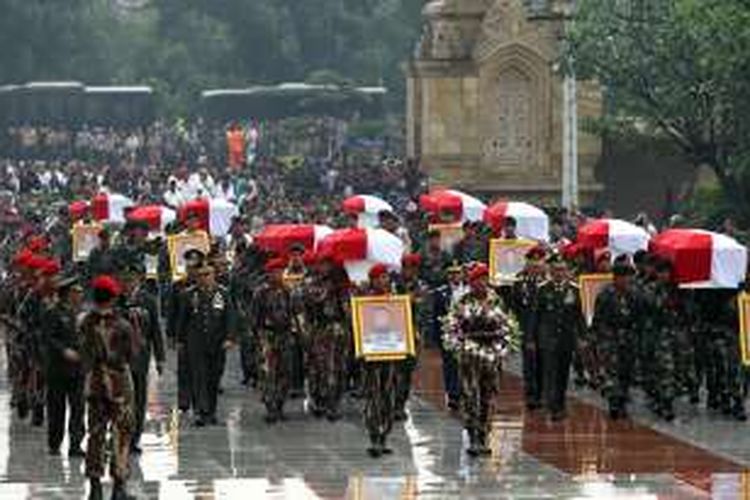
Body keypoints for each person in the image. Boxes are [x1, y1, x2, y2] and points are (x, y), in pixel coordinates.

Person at [443, 263, 519, 456]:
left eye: (485, 279)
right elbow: (452, 327)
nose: (482, 284)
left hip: (491, 357)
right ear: (471, 283)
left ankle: (484, 435)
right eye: (478, 280)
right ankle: (473, 435)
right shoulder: (463, 302)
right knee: (470, 396)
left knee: (488, 396)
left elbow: (506, 325)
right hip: (469, 358)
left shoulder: (496, 301)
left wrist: (503, 345)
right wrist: (459, 345)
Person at [80, 275, 136, 500]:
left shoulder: (85, 323)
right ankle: (119, 486)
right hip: (119, 386)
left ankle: (95, 487)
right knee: (121, 433)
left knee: (95, 434)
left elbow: (83, 354)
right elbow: (133, 354)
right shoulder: (123, 325)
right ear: (113, 298)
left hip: (94, 385)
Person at [176, 262, 236, 426]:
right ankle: (200, 411)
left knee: (213, 377)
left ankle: (212, 410)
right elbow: (182, 320)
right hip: (195, 343)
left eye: (208, 274)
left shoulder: (223, 293)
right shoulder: (188, 295)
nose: (204, 278)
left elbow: (230, 317)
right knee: (198, 377)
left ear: (214, 275)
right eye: (201, 275)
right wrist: (180, 341)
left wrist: (230, 338)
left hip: (217, 343)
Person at [118, 262, 165, 452]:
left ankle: (135, 437)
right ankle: (120, 435)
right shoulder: (116, 298)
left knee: (138, 398)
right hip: (119, 357)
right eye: (125, 279)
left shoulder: (148, 300)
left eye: (131, 279)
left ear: (139, 279)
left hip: (141, 357)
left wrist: (160, 357)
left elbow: (155, 330)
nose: (128, 283)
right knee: (121, 399)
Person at [533, 254, 585, 421]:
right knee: (551, 372)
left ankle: (560, 403)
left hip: (567, 338)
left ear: (567, 271)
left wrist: (583, 337)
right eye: (555, 270)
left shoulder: (574, 290)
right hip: (548, 338)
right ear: (550, 271)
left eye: (562, 270)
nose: (559, 273)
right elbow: (536, 316)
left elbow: (579, 316)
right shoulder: (542, 289)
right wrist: (532, 338)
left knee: (563, 373)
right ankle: (553, 406)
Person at [252, 258, 301, 423]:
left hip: (285, 335)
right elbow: (255, 318)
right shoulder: (261, 292)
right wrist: (259, 338)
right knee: (268, 372)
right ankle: (270, 406)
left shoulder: (289, 291)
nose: (278, 275)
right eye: (275, 272)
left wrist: (298, 333)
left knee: (285, 371)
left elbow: (296, 313)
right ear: (269, 273)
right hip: (268, 336)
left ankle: (280, 404)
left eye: (280, 272)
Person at [359, 264, 400, 457]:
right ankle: (374, 437)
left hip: (391, 356)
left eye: (387, 277)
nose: (385, 281)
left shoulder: (395, 300)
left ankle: (385, 436)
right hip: (372, 358)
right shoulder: (364, 301)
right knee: (374, 398)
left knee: (388, 397)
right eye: (381, 277)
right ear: (373, 280)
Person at [302, 255, 350, 421]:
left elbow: (349, 310)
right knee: (319, 367)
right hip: (320, 329)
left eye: (328, 264)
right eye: (322, 264)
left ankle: (334, 403)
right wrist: (330, 288)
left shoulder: (342, 282)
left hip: (338, 330)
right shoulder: (312, 281)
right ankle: (318, 401)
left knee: (339, 367)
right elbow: (312, 298)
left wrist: (345, 289)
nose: (324, 267)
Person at [592, 261, 642, 419]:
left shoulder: (634, 294)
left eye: (629, 277)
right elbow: (598, 319)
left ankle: (623, 400)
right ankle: (614, 403)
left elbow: (638, 315)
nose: (627, 281)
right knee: (612, 372)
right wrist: (599, 338)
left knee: (626, 371)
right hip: (610, 339)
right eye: (625, 277)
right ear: (616, 278)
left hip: (628, 338)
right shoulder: (606, 294)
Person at [44, 273, 86, 457]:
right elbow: (48, 337)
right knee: (56, 408)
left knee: (78, 408)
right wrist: (63, 351)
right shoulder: (53, 313)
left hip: (78, 370)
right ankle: (55, 443)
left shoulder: (81, 314)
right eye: (76, 291)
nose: (80, 294)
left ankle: (75, 444)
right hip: (58, 369)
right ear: (67, 294)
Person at [511, 245, 547, 411]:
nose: (536, 267)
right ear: (527, 264)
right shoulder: (520, 281)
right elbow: (515, 305)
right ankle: (531, 395)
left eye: (539, 264)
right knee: (529, 363)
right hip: (527, 327)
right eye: (533, 264)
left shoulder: (547, 282)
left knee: (544, 363)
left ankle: (542, 393)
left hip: (545, 329)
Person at [434, 261, 468, 410]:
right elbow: (436, 316)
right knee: (450, 364)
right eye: (452, 273)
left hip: (467, 332)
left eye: (457, 273)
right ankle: (453, 393)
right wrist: (438, 336)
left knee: (465, 364)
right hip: (449, 333)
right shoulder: (441, 292)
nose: (455, 276)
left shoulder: (468, 291)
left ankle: (465, 391)